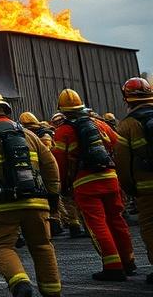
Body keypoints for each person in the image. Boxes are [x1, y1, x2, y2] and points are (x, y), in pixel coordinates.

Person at [0, 89, 61, 297]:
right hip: (36, 202)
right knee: (42, 246)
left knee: (1, 245)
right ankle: (52, 292)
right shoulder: (29, 136)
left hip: (2, 206)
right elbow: (51, 167)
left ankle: (20, 283)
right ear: (6, 109)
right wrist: (53, 198)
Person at [52, 88, 135, 281]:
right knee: (117, 219)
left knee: (97, 223)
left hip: (86, 184)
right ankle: (128, 262)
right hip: (111, 179)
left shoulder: (63, 131)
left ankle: (113, 266)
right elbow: (120, 147)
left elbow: (60, 163)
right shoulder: (100, 124)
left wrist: (63, 186)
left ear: (62, 110)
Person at [115, 77, 153, 285]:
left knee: (150, 226)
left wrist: (129, 187)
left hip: (146, 189)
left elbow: (122, 161)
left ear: (126, 98)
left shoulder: (128, 124)